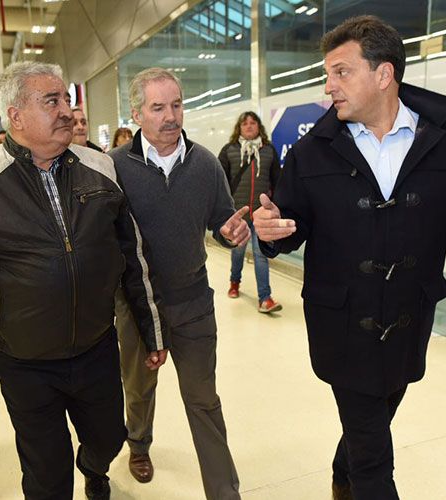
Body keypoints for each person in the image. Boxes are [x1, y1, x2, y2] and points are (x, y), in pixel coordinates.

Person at [253, 16, 446, 500]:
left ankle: (341, 472)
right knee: (376, 459)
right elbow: (289, 224)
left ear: (384, 74)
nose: (328, 88)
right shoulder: (313, 151)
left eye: (340, 73)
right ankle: (356, 482)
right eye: (327, 75)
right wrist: (271, 233)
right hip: (342, 324)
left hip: (409, 322)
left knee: (377, 413)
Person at [0, 61, 168, 500]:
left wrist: (152, 329)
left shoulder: (101, 167)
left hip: (96, 346)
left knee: (109, 439)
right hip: (25, 362)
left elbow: (134, 254)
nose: (67, 112)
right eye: (52, 101)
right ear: (15, 116)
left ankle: (93, 467)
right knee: (47, 479)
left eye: (67, 100)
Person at [109, 67, 249, 499]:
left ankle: (224, 491)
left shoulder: (205, 164)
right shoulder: (113, 169)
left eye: (176, 104)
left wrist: (233, 231)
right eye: (157, 107)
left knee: (203, 399)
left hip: (193, 303)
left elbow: (221, 219)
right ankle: (139, 444)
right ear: (136, 113)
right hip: (136, 307)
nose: (171, 116)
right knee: (138, 388)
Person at [218, 111, 282, 313]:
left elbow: (277, 181)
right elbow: (220, 183)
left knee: (260, 254)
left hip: (261, 214)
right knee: (237, 252)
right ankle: (234, 282)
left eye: (253, 123)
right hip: (238, 214)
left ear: (258, 127)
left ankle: (265, 298)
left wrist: (276, 207)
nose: (249, 126)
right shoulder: (229, 150)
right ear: (239, 127)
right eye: (244, 124)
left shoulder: (269, 150)